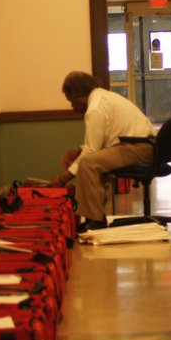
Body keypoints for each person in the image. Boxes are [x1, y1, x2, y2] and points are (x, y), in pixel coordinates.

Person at [50, 71, 156, 232]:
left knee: (89, 163)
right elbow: (102, 141)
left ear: (79, 95)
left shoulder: (95, 109)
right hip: (144, 146)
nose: (72, 107)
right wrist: (78, 150)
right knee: (90, 161)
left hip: (138, 148)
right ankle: (95, 216)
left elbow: (91, 152)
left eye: (71, 101)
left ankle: (95, 220)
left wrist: (63, 178)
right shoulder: (104, 97)